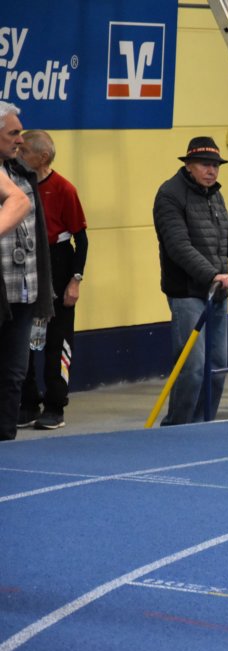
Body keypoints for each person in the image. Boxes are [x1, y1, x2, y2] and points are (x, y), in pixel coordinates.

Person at [153, 137, 228, 425]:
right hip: (188, 292)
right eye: (205, 165)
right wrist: (212, 275)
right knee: (192, 367)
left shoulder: (214, 194)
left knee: (216, 367)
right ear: (189, 165)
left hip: (217, 292)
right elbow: (178, 246)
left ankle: (204, 425)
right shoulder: (169, 195)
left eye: (216, 165)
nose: (212, 171)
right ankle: (178, 427)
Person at [17, 130, 88, 429]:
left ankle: (55, 405)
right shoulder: (17, 185)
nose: (18, 155)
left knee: (56, 339)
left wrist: (75, 280)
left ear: (42, 157)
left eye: (24, 152)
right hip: (26, 262)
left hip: (58, 263)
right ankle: (28, 402)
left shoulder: (64, 189)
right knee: (23, 337)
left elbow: (81, 240)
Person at [0, 101, 50, 441]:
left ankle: (6, 439)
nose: (21, 140)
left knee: (15, 373)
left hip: (24, 290)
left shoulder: (21, 174)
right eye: (13, 133)